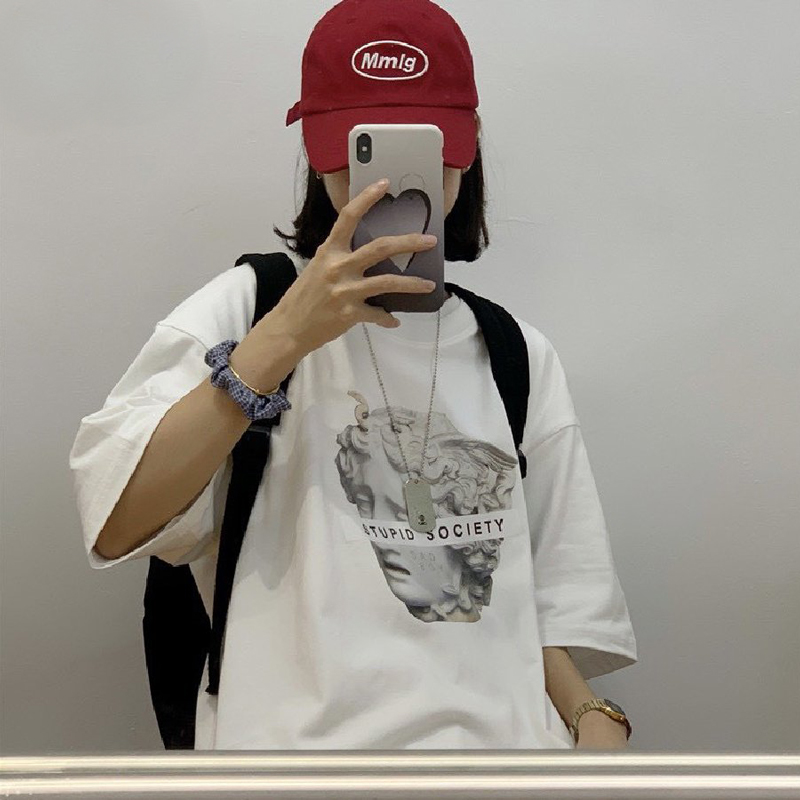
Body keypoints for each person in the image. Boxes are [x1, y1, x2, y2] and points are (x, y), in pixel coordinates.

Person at [69, 0, 637, 751]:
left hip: (505, 772)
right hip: (290, 775)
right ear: (317, 152)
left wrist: (595, 724)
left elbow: (539, 607)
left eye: (422, 144)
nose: (392, 182)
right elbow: (115, 522)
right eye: (363, 148)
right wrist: (280, 341)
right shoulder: (246, 309)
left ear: (466, 147)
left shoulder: (516, 355)